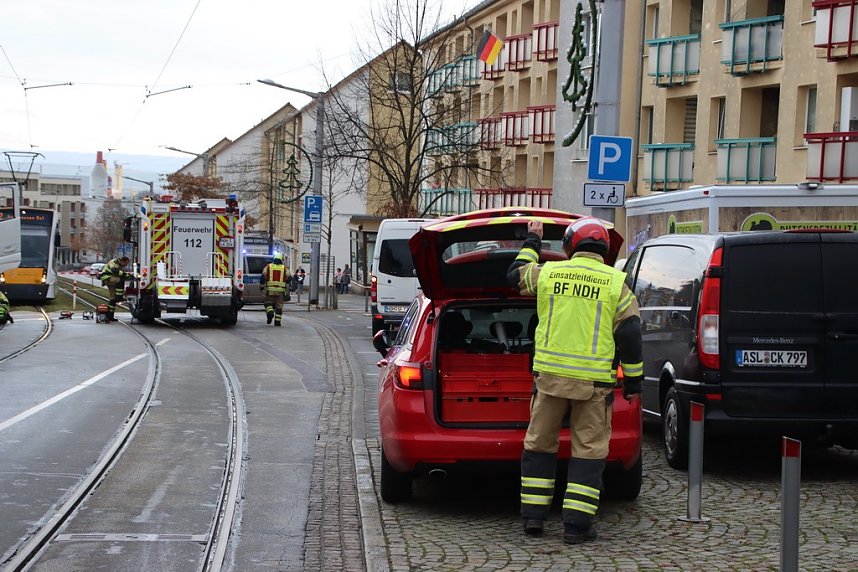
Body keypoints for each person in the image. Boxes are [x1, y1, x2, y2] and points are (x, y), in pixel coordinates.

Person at [507, 217, 643, 545]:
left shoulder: (550, 273)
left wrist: (533, 242)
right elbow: (630, 333)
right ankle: (576, 527)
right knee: (589, 451)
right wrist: (635, 380)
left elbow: (514, 276)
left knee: (539, 445)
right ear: (604, 249)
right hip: (593, 385)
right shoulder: (615, 283)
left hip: (550, 380)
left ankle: (534, 519)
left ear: (569, 246)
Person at [99, 256, 132, 322]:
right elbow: (115, 271)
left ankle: (110, 316)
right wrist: (127, 276)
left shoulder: (119, 264)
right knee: (120, 280)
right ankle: (119, 297)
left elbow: (121, 273)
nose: (125, 265)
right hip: (107, 277)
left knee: (113, 298)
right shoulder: (114, 262)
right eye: (125, 264)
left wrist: (129, 276)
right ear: (123, 261)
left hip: (109, 278)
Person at [260, 252, 290, 326]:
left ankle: (270, 313)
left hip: (270, 290)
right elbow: (289, 278)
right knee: (279, 306)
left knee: (267, 303)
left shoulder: (268, 267)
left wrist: (262, 286)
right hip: (280, 291)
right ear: (281, 260)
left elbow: (263, 277)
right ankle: (277, 322)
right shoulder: (284, 268)